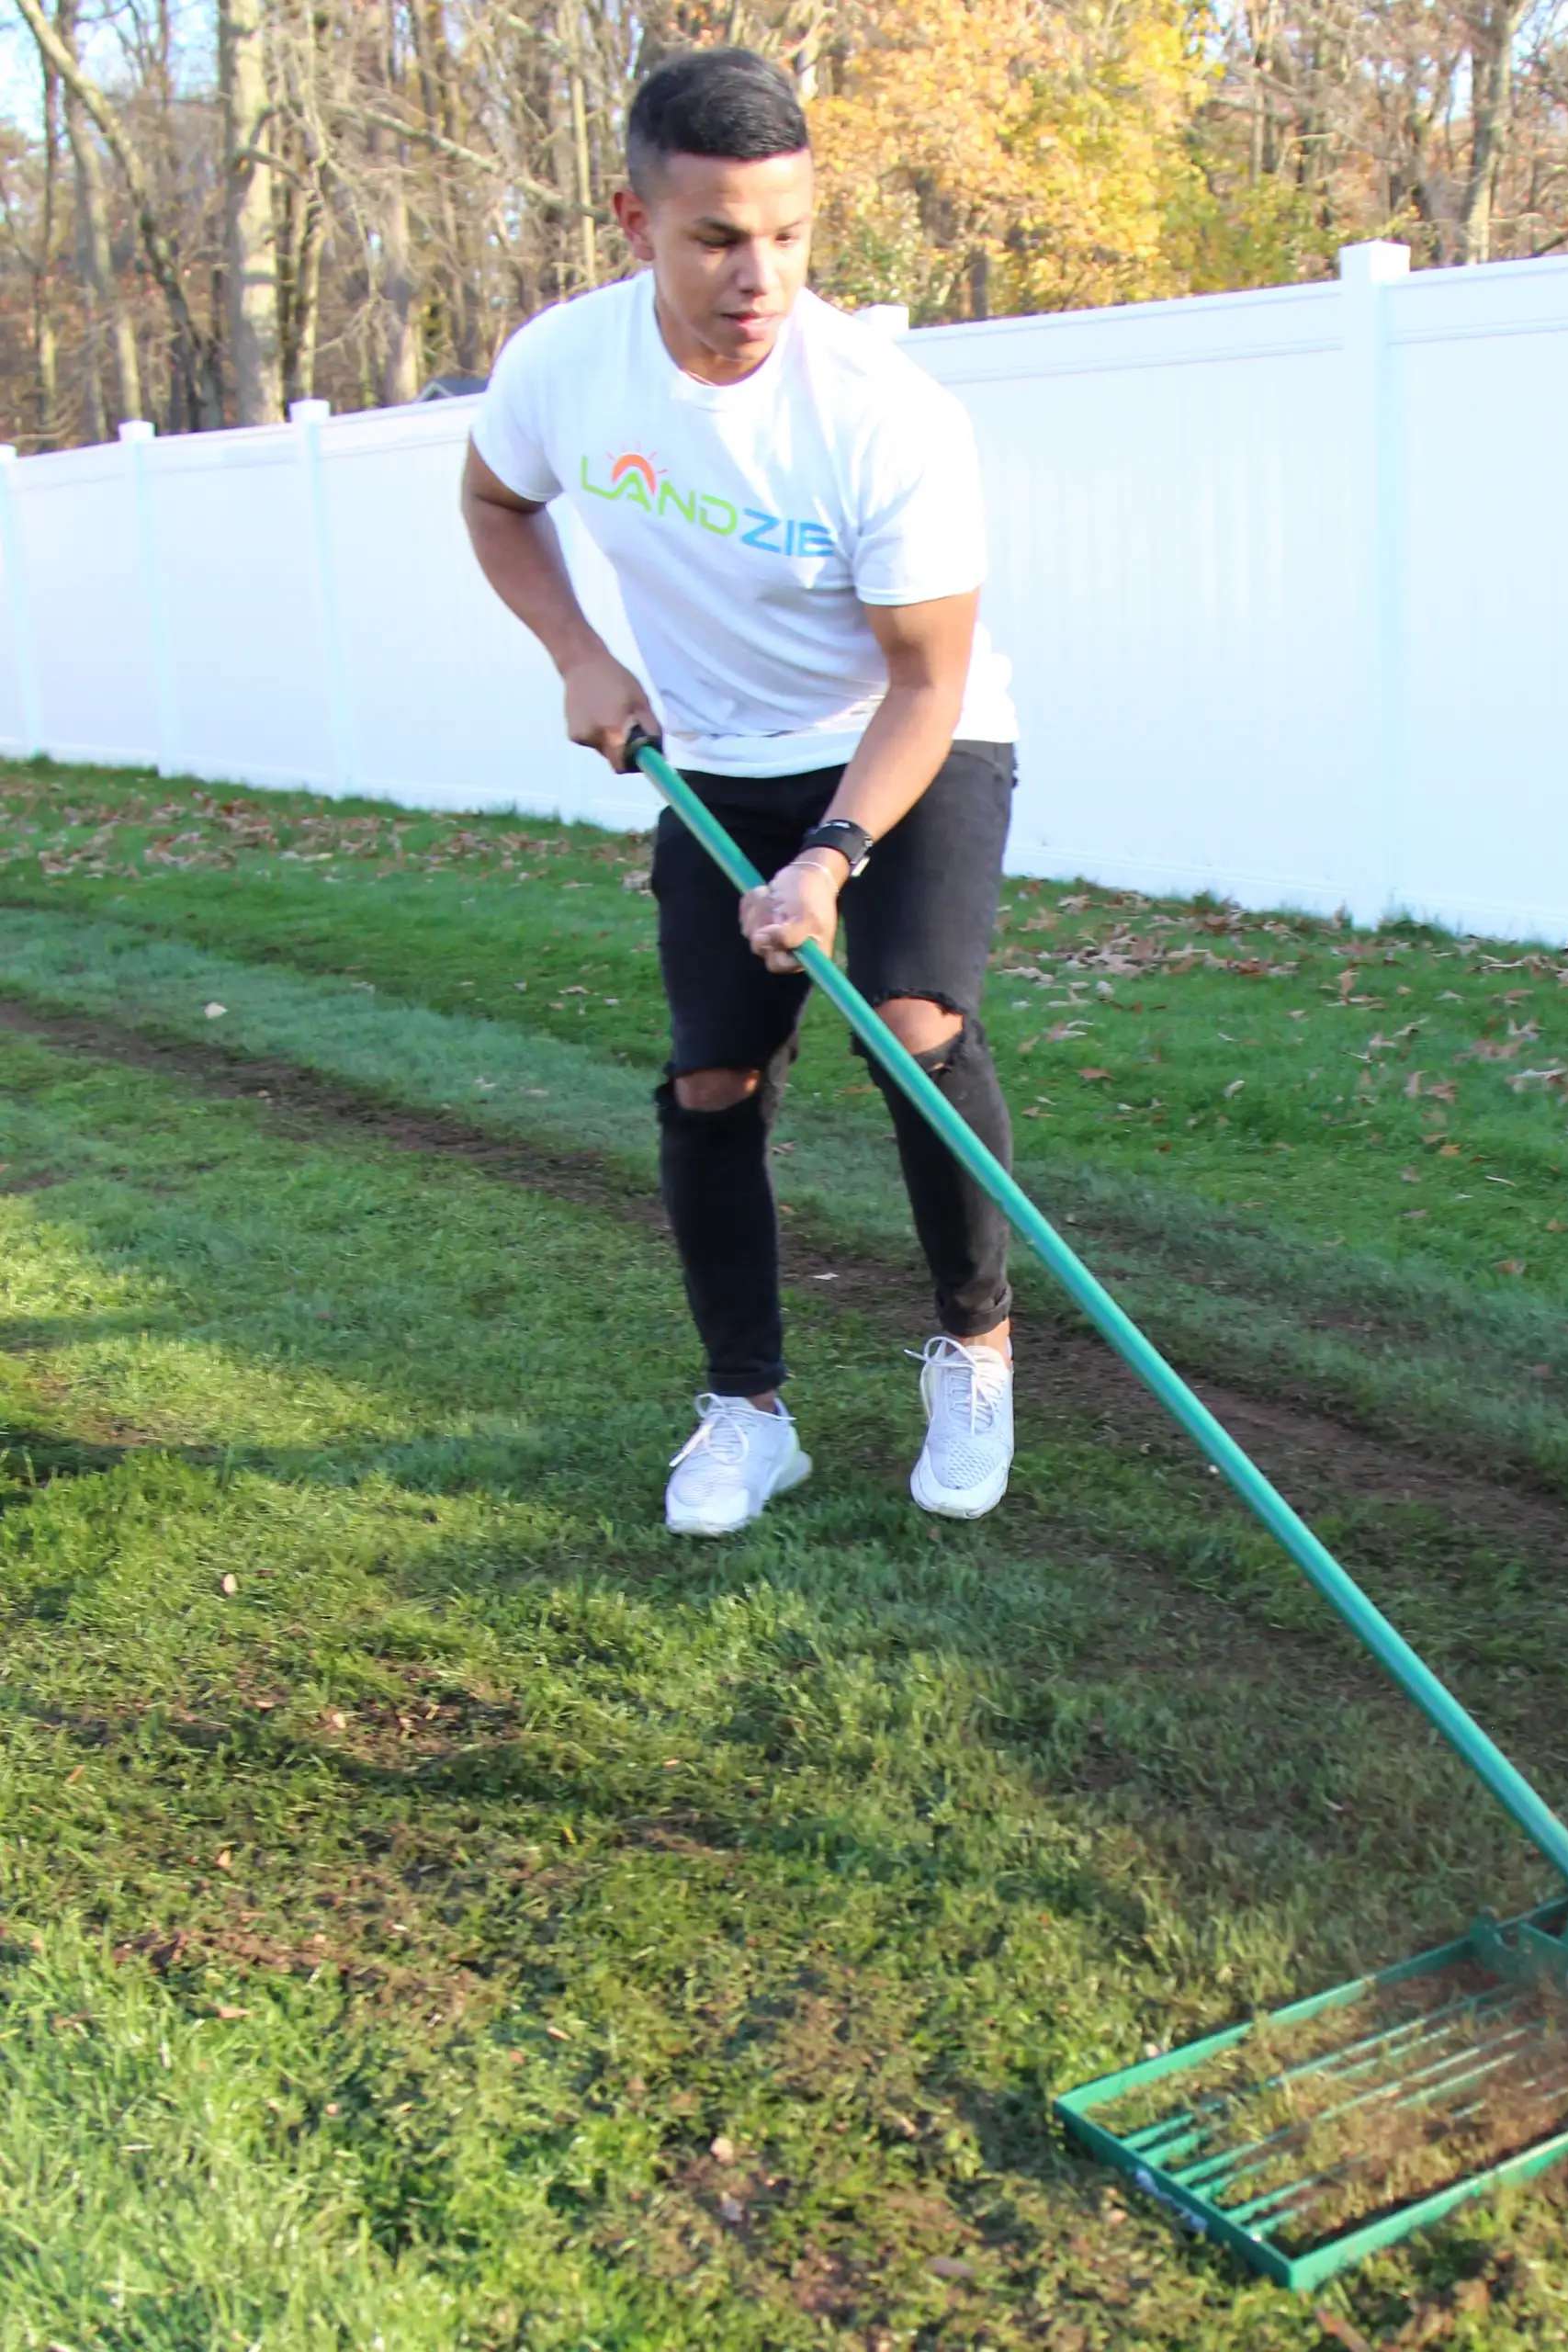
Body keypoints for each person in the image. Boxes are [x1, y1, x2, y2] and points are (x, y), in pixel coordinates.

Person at [460, 46, 1020, 1535]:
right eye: (716, 235)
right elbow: (496, 502)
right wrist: (578, 655)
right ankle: (747, 1412)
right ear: (635, 222)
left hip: (902, 745)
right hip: (709, 763)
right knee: (713, 1076)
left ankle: (973, 1346)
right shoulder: (562, 367)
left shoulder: (885, 416)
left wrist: (831, 859)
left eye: (787, 232)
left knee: (913, 1026)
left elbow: (926, 686)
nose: (756, 272)